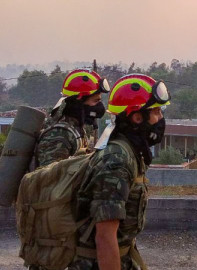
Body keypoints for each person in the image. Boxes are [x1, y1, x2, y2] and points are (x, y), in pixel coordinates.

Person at [68, 74, 170, 270]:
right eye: (156, 111)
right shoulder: (116, 161)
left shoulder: (129, 152)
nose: (160, 118)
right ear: (136, 117)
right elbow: (105, 237)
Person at [36, 68, 110, 167]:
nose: (99, 107)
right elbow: (50, 178)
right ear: (79, 100)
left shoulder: (76, 129)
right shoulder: (59, 134)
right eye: (96, 101)